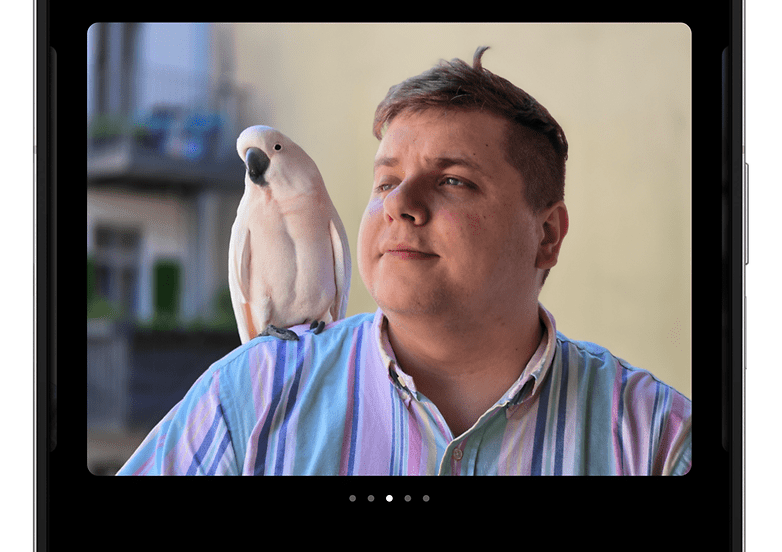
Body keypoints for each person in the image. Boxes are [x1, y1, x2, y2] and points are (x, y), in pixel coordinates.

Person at [117, 47, 691, 476]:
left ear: (546, 236)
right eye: (386, 181)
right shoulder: (248, 397)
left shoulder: (656, 439)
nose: (399, 205)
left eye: (453, 180)